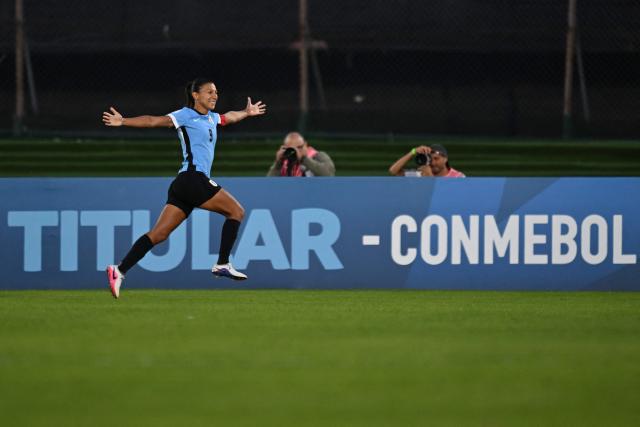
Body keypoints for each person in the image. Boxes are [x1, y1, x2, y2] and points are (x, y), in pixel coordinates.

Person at [101, 78, 266, 298]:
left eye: (216, 92)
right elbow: (153, 121)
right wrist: (123, 121)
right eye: (209, 92)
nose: (215, 95)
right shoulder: (185, 115)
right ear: (195, 95)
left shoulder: (211, 118)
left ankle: (119, 270)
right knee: (236, 211)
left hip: (183, 184)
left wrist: (246, 112)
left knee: (159, 234)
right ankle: (223, 263)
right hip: (193, 179)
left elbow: (229, 117)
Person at [267, 132, 335, 176]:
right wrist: (278, 163)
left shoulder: (318, 156)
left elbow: (329, 174)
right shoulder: (284, 161)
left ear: (305, 145)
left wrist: (304, 159)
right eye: (291, 149)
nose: (296, 151)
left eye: (299, 147)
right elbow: (269, 184)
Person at [388, 143, 465, 177]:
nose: (433, 163)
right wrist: (413, 151)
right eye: (430, 159)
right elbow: (393, 171)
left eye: (436, 158)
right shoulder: (422, 174)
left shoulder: (458, 177)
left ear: (445, 159)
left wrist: (429, 178)